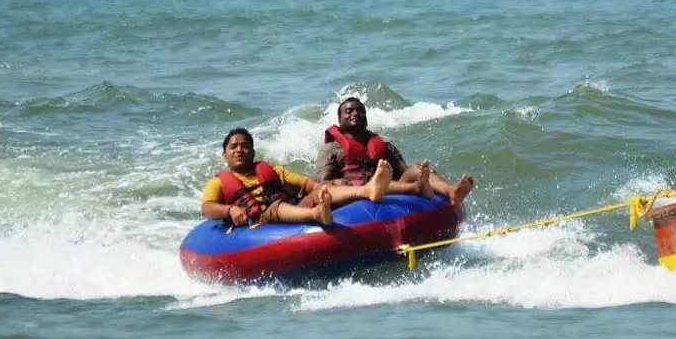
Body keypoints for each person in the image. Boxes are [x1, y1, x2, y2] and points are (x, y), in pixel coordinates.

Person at [201, 127, 393, 227]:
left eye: (244, 146)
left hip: (293, 211)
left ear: (253, 151)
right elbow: (207, 207)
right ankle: (316, 214)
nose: (239, 150)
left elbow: (308, 184)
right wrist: (231, 210)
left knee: (324, 189)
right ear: (224, 154)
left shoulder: (273, 170)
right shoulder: (217, 182)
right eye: (233, 147)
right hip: (260, 223)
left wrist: (322, 191)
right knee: (275, 207)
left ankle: (368, 190)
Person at [315, 97, 475, 206]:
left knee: (417, 169)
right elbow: (322, 183)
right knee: (377, 183)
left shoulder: (384, 146)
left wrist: (423, 175)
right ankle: (417, 188)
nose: (355, 113)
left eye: (359, 110)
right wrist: (343, 184)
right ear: (339, 120)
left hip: (391, 190)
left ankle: (451, 192)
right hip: (356, 193)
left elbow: (404, 172)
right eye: (349, 111)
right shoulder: (331, 149)